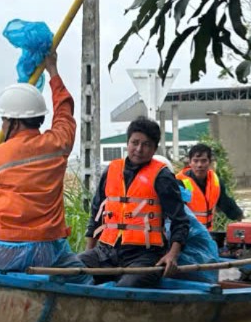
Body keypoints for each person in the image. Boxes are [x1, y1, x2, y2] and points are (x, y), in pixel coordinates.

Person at [0, 52, 86, 278]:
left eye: (4, 120)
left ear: (14, 122)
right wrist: (53, 70)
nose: (2, 126)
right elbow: (64, 111)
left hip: (2, 251)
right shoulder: (58, 143)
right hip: (45, 250)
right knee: (81, 276)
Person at [78, 116, 190, 288]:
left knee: (125, 288)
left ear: (154, 149)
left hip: (144, 256)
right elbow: (96, 214)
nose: (139, 149)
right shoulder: (111, 170)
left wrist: (172, 255)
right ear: (127, 143)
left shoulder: (162, 176)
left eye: (146, 145)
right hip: (105, 253)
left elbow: (180, 221)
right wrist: (89, 251)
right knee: (70, 269)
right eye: (135, 142)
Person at [178, 143, 244, 230]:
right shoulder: (179, 183)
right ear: (190, 163)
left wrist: (242, 218)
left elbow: (226, 203)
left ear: (209, 162)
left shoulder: (215, 182)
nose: (199, 165)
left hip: (207, 233)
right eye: (196, 161)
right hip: (186, 233)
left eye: (203, 161)